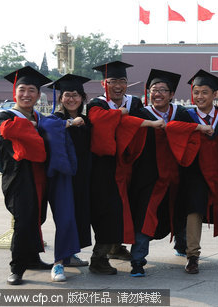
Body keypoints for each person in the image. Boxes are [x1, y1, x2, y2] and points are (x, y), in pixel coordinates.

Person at [86, 61, 164, 275]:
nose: (118, 86)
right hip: (105, 167)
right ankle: (98, 258)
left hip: (129, 164)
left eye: (122, 81)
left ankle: (115, 247)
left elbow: (144, 121)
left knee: (127, 208)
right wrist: (121, 115)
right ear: (104, 83)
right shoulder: (97, 104)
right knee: (108, 211)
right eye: (113, 81)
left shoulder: (134, 102)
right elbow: (101, 123)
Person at [166, 69, 218, 274]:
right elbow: (172, 128)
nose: (199, 97)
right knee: (194, 210)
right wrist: (197, 129)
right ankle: (192, 255)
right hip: (194, 173)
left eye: (204, 92)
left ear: (214, 94)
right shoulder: (185, 114)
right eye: (196, 92)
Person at [0, 66, 52, 285]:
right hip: (18, 176)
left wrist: (37, 124)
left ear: (38, 95)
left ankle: (33, 258)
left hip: (39, 175)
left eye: (31, 90)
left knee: (37, 218)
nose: (26, 94)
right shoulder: (5, 115)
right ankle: (17, 267)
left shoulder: (38, 116)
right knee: (23, 220)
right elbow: (9, 131)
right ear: (14, 93)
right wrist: (32, 125)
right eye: (22, 89)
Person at [127, 69, 183, 277]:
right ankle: (138, 260)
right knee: (145, 217)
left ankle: (184, 247)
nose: (157, 94)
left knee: (180, 212)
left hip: (176, 176)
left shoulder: (181, 113)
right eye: (153, 90)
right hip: (147, 178)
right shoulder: (141, 115)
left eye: (162, 90)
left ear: (171, 94)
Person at [44, 74, 93, 282]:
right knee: (65, 218)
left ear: (82, 98)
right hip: (62, 178)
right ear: (61, 98)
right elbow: (45, 128)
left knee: (79, 217)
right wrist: (71, 123)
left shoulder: (89, 121)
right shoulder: (56, 119)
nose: (71, 99)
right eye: (67, 95)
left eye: (75, 95)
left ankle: (70, 254)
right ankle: (58, 263)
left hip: (83, 177)